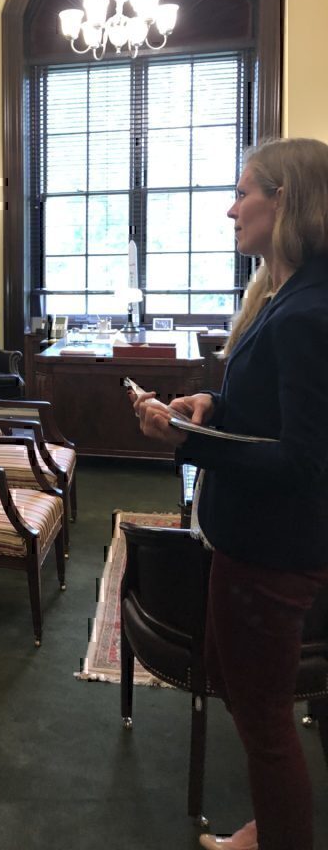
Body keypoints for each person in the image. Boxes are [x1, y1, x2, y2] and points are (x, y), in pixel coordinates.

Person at [132, 137, 328, 850]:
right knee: (242, 688)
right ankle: (265, 829)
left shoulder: (308, 311)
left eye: (243, 192)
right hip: (250, 539)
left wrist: (185, 442)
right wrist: (213, 406)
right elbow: (277, 408)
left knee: (265, 722)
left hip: (273, 551)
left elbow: (304, 463)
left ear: (285, 201)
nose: (230, 208)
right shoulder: (290, 296)